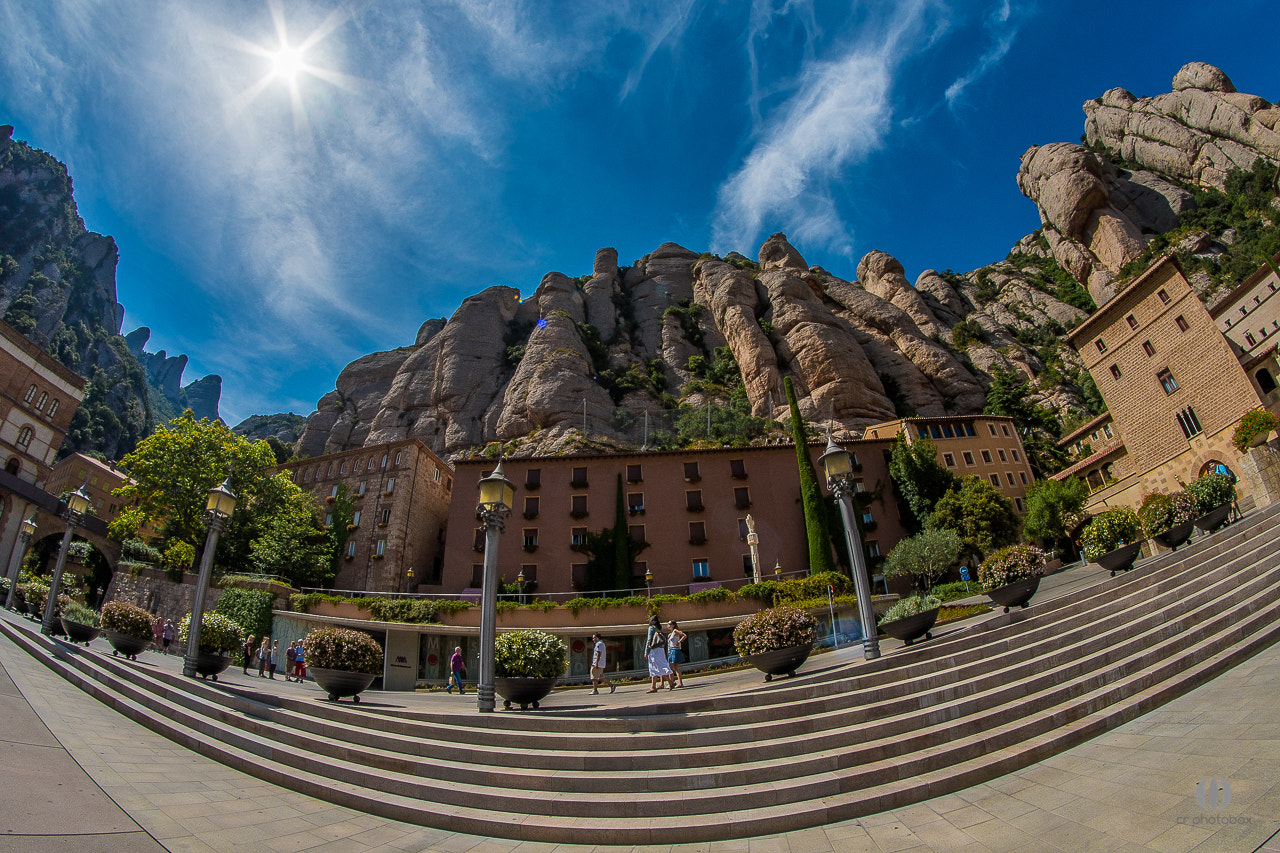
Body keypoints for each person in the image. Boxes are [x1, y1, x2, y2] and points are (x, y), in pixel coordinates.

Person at [644, 616, 672, 693]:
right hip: (661, 649)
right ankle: (653, 686)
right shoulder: (659, 628)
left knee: (655, 667)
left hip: (654, 650)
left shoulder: (651, 628)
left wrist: (646, 651)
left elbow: (649, 640)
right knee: (657, 667)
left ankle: (670, 682)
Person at [665, 620, 688, 688]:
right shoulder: (672, 633)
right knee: (676, 667)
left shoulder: (675, 631)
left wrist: (679, 641)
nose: (668, 625)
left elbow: (684, 635)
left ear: (673, 625)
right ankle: (680, 683)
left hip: (674, 650)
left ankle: (671, 682)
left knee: (669, 667)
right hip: (672, 650)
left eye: (669, 624)